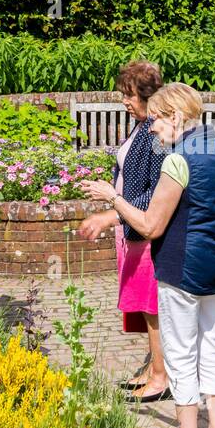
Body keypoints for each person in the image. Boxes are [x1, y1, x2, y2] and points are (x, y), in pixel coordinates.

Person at [81, 82, 215, 428]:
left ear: (175, 117)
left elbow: (150, 224)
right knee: (212, 349)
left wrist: (111, 198)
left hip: (182, 267)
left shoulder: (177, 160)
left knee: (182, 355)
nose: (150, 129)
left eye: (155, 121)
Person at [76, 60, 168, 400]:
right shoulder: (140, 125)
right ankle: (153, 367)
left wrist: (110, 214)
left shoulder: (157, 132)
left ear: (146, 95)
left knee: (151, 303)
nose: (124, 102)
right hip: (130, 226)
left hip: (143, 229)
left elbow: (156, 189)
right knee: (143, 305)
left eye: (128, 95)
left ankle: (161, 376)